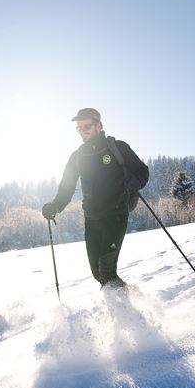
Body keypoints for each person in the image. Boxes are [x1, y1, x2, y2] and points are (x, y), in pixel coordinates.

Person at [42, 108, 149, 290]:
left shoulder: (117, 147)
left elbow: (142, 171)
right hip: (91, 220)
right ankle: (129, 298)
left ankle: (123, 313)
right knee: (98, 273)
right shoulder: (77, 157)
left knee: (106, 268)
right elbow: (66, 188)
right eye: (79, 128)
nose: (83, 131)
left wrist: (134, 183)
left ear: (99, 126)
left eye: (87, 126)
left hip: (115, 216)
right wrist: (54, 206)